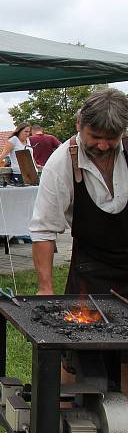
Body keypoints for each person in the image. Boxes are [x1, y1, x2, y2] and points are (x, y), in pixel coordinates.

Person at [30, 88, 128, 296]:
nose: (103, 145)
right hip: (89, 275)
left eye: (112, 138)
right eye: (95, 136)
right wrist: (45, 288)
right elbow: (44, 231)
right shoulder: (60, 165)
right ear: (79, 124)